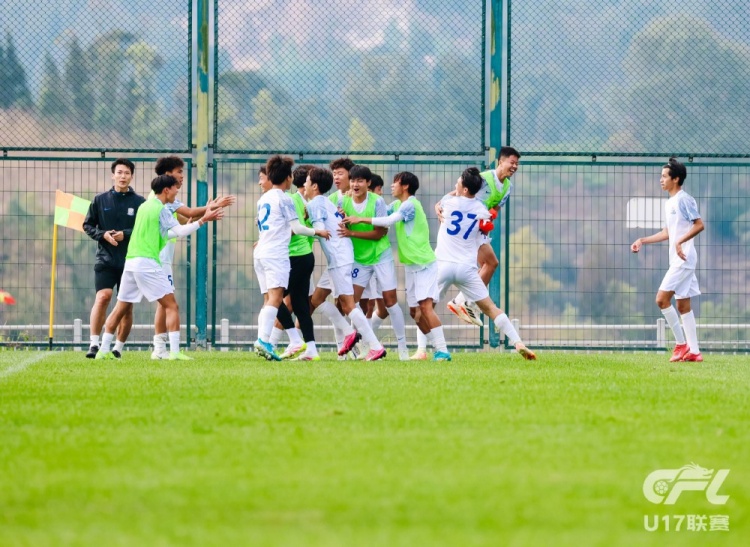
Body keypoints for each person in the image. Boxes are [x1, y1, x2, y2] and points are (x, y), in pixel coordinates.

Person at [95, 175, 224, 360]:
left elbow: (164, 232)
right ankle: (175, 352)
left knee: (120, 307)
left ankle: (103, 350)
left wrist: (192, 221)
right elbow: (180, 231)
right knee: (171, 305)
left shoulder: (144, 206)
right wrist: (204, 220)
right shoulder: (162, 209)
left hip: (131, 262)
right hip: (147, 263)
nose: (177, 192)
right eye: (175, 189)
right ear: (166, 190)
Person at [345, 171, 451, 361]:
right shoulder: (397, 204)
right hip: (411, 266)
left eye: (396, 182)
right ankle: (437, 348)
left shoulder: (410, 205)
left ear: (405, 186)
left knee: (426, 307)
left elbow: (388, 221)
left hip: (424, 264)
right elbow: (380, 212)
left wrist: (360, 219)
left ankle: (443, 350)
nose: (392, 186)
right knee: (414, 312)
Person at [436, 167, 536, 360]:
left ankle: (424, 350)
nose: (456, 183)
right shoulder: (481, 211)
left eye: (458, 181)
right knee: (491, 308)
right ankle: (518, 342)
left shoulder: (448, 202)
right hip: (467, 269)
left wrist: (439, 205)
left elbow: (443, 203)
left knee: (425, 307)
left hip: (444, 265)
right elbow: (484, 228)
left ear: (465, 188)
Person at [149, 156, 236, 359]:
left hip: (160, 257)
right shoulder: (162, 199)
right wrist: (211, 208)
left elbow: (184, 218)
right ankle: (165, 350)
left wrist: (208, 210)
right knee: (169, 304)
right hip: (158, 257)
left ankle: (159, 349)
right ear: (168, 174)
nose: (182, 176)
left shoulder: (163, 199)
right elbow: (189, 214)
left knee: (161, 303)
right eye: (179, 172)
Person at [305, 167, 387, 361]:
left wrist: (296, 228)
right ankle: (348, 337)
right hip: (340, 256)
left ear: (314, 186)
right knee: (316, 300)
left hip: (339, 258)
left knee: (349, 305)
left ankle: (375, 347)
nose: (304, 185)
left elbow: (320, 230)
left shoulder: (315, 203)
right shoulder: (326, 201)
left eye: (306, 182)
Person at [253, 156, 330, 361]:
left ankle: (300, 344)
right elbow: (297, 228)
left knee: (286, 300)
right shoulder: (285, 198)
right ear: (288, 177)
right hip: (277, 254)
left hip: (261, 252)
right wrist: (318, 232)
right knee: (275, 299)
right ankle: (263, 340)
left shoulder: (263, 199)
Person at [631, 158, 705, 362]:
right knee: (683, 306)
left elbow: (699, 224)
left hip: (684, 259)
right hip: (678, 260)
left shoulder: (684, 199)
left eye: (664, 176)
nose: (661, 180)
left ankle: (681, 344)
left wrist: (681, 241)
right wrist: (642, 240)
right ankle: (694, 352)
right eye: (661, 176)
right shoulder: (669, 203)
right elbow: (667, 232)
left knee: (661, 300)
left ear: (676, 179)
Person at [438, 147, 521, 327]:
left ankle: (463, 301)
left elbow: (495, 209)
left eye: (517, 164)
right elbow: (458, 192)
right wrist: (440, 203)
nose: (515, 166)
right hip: (468, 231)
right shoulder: (483, 179)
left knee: (490, 264)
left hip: (478, 231)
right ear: (500, 161)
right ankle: (463, 301)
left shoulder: (508, 187)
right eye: (512, 162)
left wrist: (488, 223)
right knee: (490, 263)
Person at [337, 165, 410, 360]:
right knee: (350, 303)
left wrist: (352, 232)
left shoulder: (377, 202)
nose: (355, 184)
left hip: (380, 256)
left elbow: (379, 233)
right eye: (353, 180)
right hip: (359, 259)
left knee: (390, 302)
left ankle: (403, 348)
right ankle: (362, 346)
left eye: (360, 181)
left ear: (368, 183)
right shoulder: (342, 200)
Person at [83, 158, 145, 359]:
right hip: (105, 259)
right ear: (113, 175)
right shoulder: (100, 200)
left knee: (126, 306)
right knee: (103, 297)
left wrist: (124, 234)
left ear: (131, 176)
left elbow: (143, 230)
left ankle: (117, 348)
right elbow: (87, 225)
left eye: (126, 173)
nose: (122, 176)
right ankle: (94, 344)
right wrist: (103, 235)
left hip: (131, 261)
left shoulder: (140, 203)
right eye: (119, 172)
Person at [308, 157, 360, 359]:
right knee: (326, 302)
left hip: (356, 258)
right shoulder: (329, 200)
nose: (337, 177)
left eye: (340, 173)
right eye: (334, 174)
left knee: (353, 305)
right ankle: (345, 351)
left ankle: (365, 346)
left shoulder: (359, 196)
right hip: (338, 258)